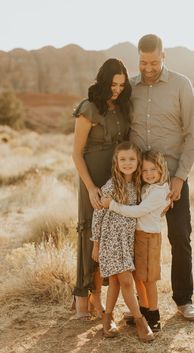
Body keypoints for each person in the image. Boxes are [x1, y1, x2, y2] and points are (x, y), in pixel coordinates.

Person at [129, 34, 194, 320]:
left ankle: (184, 300)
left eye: (154, 61)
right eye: (143, 62)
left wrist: (180, 178)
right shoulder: (130, 87)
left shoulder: (181, 85)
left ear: (164, 56)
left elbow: (192, 136)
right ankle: (143, 305)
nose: (148, 67)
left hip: (172, 177)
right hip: (136, 179)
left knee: (180, 236)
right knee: (137, 240)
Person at [72, 58, 131, 319]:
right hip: (92, 180)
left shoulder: (121, 107)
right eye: (113, 84)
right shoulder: (88, 108)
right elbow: (76, 154)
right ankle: (84, 301)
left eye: (121, 84)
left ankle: (101, 301)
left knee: (108, 236)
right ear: (103, 81)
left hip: (114, 180)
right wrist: (91, 187)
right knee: (89, 235)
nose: (117, 89)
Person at [91, 142, 154, 342]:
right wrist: (96, 243)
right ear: (116, 162)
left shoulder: (139, 185)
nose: (127, 163)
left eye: (131, 159)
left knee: (117, 282)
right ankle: (139, 320)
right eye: (123, 159)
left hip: (127, 240)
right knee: (125, 279)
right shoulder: (111, 185)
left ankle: (107, 318)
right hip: (110, 239)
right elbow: (98, 214)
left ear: (138, 162)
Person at [102, 151, 170, 332]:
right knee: (138, 277)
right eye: (145, 170)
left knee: (149, 280)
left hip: (149, 238)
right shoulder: (146, 187)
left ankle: (154, 315)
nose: (149, 173)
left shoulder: (158, 191)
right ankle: (144, 309)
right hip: (137, 236)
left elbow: (138, 211)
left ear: (161, 169)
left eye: (153, 169)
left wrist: (113, 205)